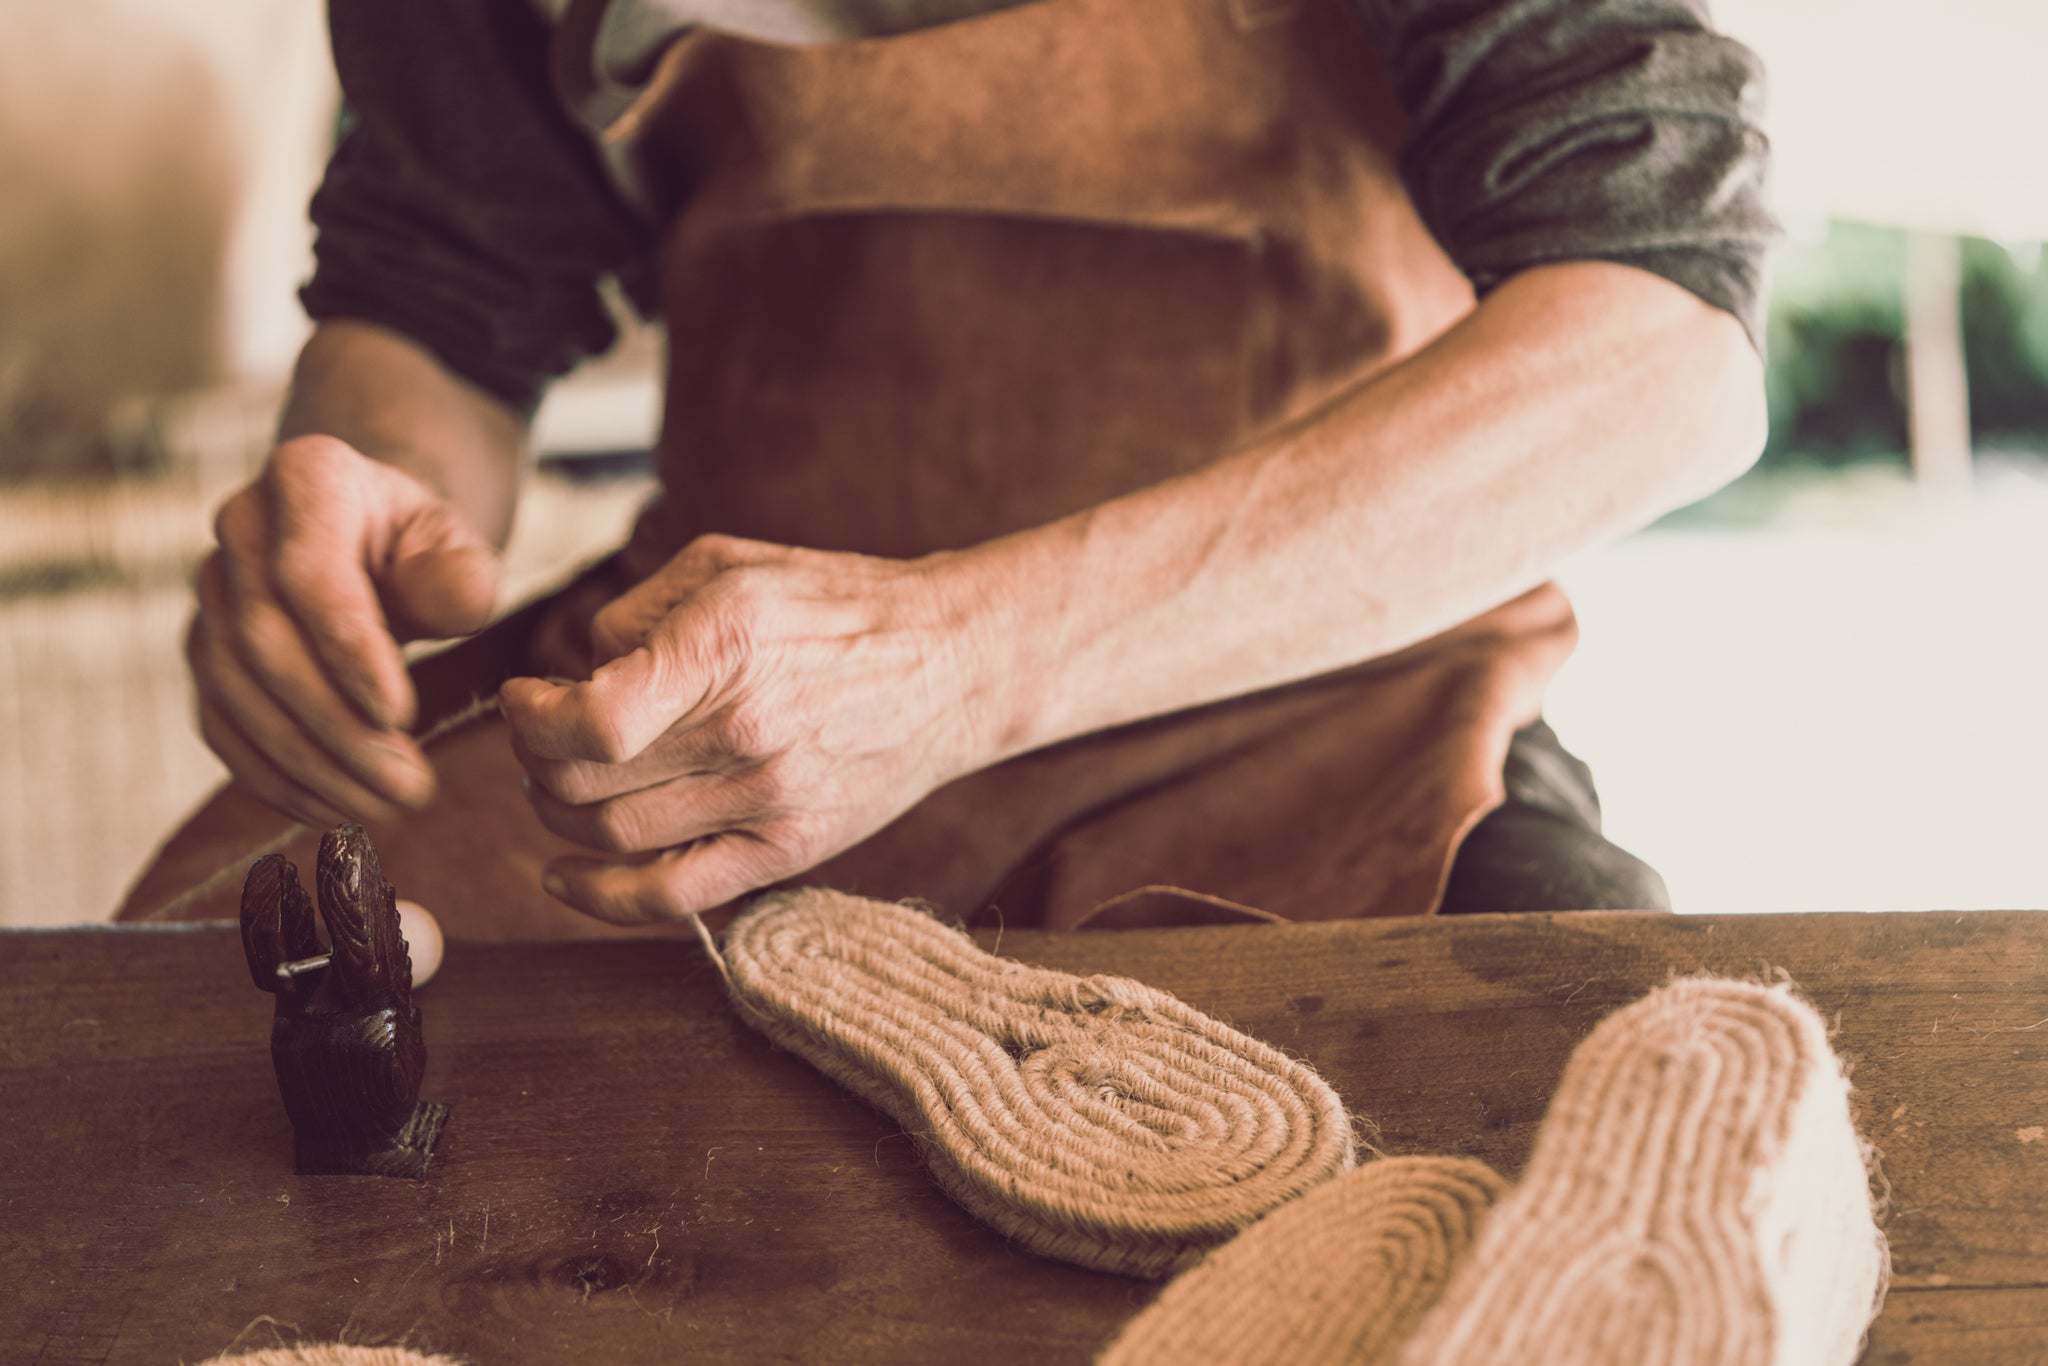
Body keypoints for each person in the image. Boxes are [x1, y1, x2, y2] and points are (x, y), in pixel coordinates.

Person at [123, 0, 1774, 937]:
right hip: (691, 718)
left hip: (1330, 711)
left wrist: (959, 659)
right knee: (179, 1033)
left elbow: (1666, 341)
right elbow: (442, 296)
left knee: (1604, 1101)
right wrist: (355, 497)